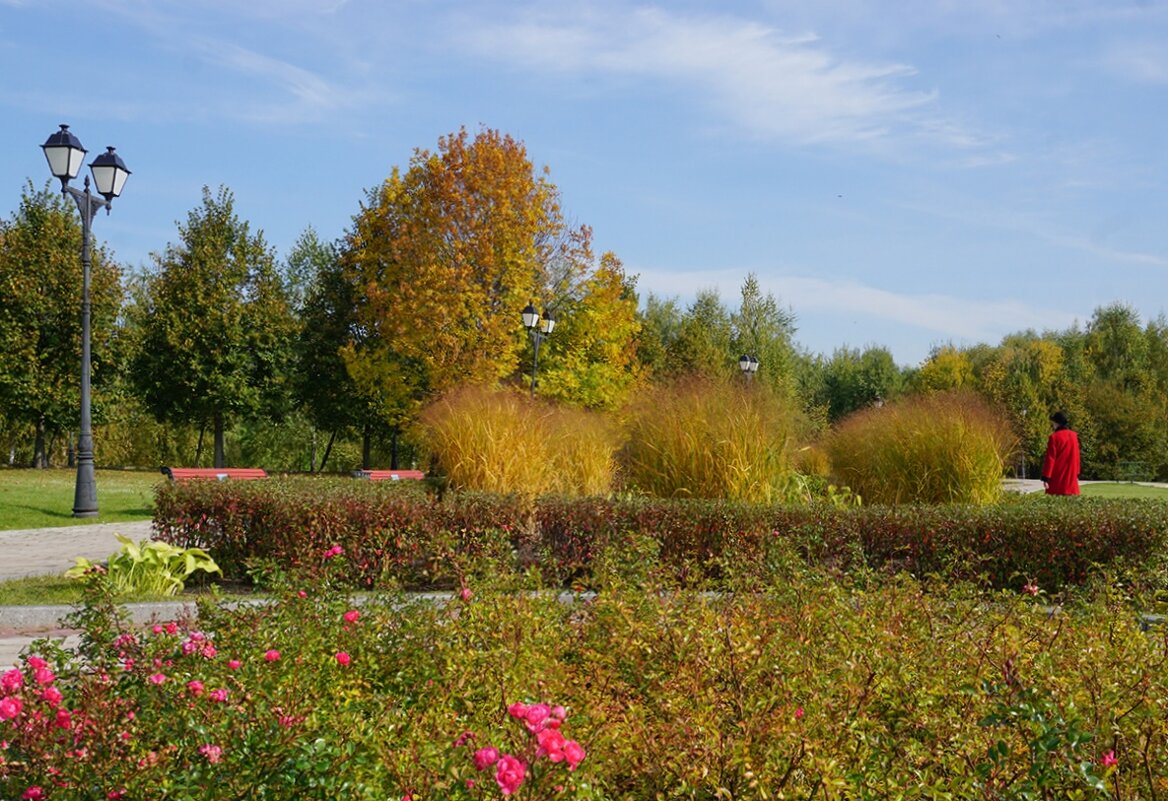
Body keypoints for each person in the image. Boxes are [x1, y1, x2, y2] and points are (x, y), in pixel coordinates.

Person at [1041, 410, 1080, 496]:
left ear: (1057, 423)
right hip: (1071, 477)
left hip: (1057, 478)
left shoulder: (1054, 437)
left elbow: (1050, 459)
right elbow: (1077, 457)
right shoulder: (1074, 436)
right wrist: (1076, 473)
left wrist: (1046, 477)